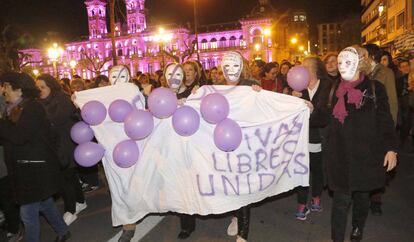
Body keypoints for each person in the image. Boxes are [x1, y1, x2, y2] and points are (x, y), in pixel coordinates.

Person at [324, 46, 398, 242]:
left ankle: (357, 228)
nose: (341, 67)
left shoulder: (374, 88)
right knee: (340, 201)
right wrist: (304, 106)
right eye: (339, 63)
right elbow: (324, 119)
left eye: (346, 62)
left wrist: (391, 148)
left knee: (362, 197)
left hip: (366, 154)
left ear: (359, 63)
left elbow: (385, 120)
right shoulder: (333, 89)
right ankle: (337, 238)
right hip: (340, 155)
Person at [0, 72, 71, 242]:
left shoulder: (32, 108)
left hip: (36, 168)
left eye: (7, 87)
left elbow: (19, 136)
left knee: (28, 213)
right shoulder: (14, 108)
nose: (4, 91)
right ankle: (63, 230)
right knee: (44, 203)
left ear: (19, 90)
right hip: (23, 168)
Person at [36, 74, 87, 226]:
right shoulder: (39, 103)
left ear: (51, 86)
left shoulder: (62, 98)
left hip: (66, 144)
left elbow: (57, 119)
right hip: (54, 146)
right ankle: (81, 201)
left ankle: (70, 210)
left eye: (42, 87)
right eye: (37, 88)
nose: (39, 90)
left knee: (65, 178)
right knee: (70, 177)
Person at [291, 56, 331, 220]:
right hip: (302, 137)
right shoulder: (298, 87)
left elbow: (327, 114)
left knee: (316, 169)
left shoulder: (328, 86)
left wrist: (313, 110)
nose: (301, 69)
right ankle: (301, 204)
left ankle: (316, 198)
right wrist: (293, 99)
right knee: (302, 170)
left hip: (319, 136)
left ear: (314, 69)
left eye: (305, 66)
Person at [363, 44, 398, 126]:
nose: (361, 58)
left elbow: (392, 101)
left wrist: (391, 125)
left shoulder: (386, 72)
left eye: (363, 55)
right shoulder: (363, 73)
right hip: (367, 119)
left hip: (380, 118)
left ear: (372, 56)